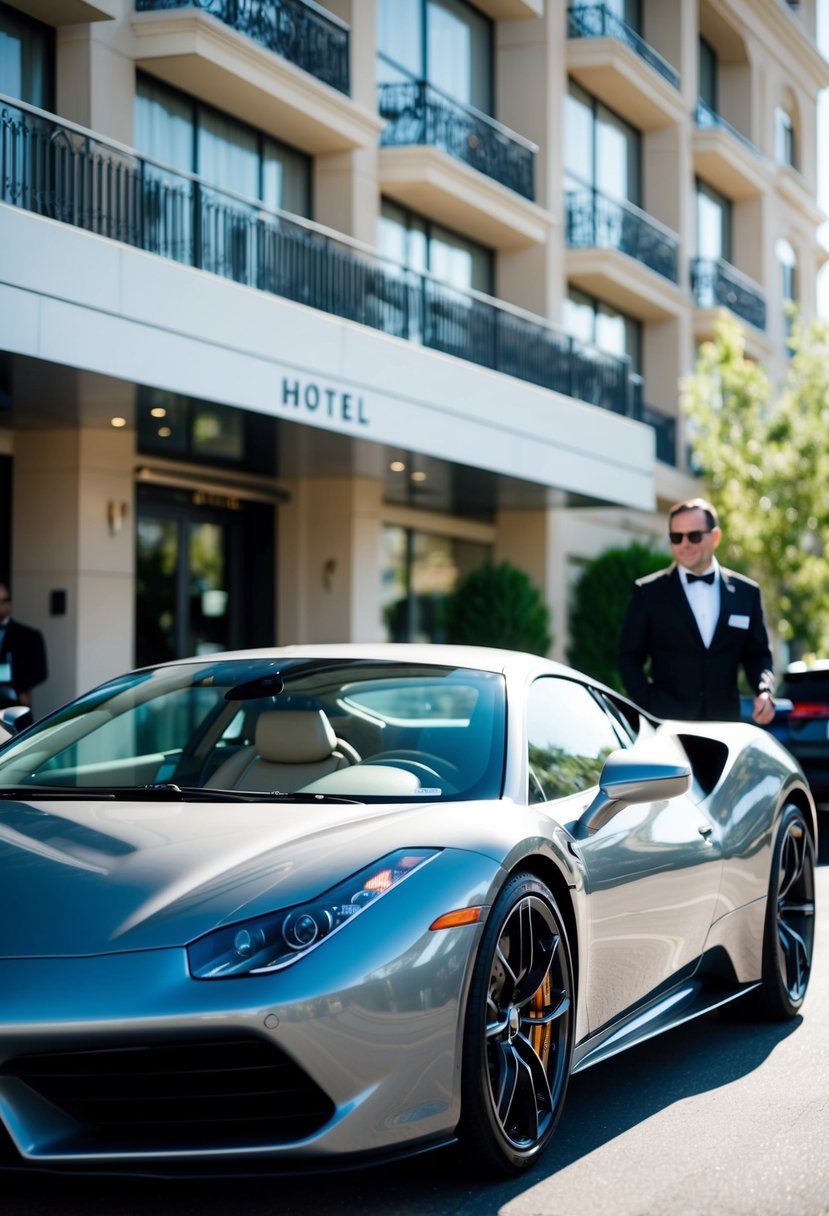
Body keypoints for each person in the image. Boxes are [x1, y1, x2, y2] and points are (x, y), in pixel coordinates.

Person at [618, 498, 776, 723]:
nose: (685, 544)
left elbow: (757, 656)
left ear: (715, 537)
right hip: (667, 726)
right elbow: (629, 658)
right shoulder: (648, 592)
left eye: (694, 535)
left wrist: (764, 690)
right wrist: (649, 703)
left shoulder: (746, 593)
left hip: (725, 725)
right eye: (676, 537)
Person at [0, 582, 48, 711]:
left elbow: (40, 672)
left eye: (3, 601)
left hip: (14, 703)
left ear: (9, 603)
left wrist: (19, 688)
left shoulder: (29, 636)